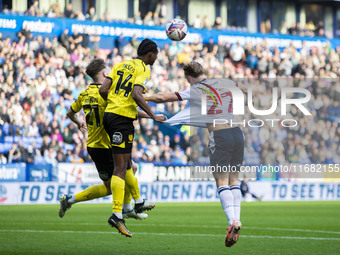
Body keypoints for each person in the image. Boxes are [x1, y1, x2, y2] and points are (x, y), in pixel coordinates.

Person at [144, 61, 244, 247]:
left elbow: (164, 98)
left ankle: (232, 221)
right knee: (234, 181)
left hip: (220, 135)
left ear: (188, 77)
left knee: (222, 183)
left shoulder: (196, 89)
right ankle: (235, 220)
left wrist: (144, 97)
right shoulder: (225, 82)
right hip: (237, 133)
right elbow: (242, 89)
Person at [60, 58, 159, 221]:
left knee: (123, 174)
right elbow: (126, 108)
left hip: (94, 145)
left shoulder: (84, 94)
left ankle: (70, 200)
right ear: (106, 74)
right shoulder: (107, 93)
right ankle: (128, 207)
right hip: (107, 145)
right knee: (126, 171)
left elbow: (70, 113)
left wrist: (79, 123)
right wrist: (151, 115)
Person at [99, 39, 166, 237]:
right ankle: (117, 214)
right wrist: (153, 116)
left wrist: (114, 103)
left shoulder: (120, 64)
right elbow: (137, 94)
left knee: (127, 163)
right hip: (121, 120)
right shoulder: (143, 68)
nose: (156, 57)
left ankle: (136, 203)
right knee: (120, 168)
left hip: (110, 116)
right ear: (150, 54)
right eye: (156, 54)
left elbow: (103, 90)